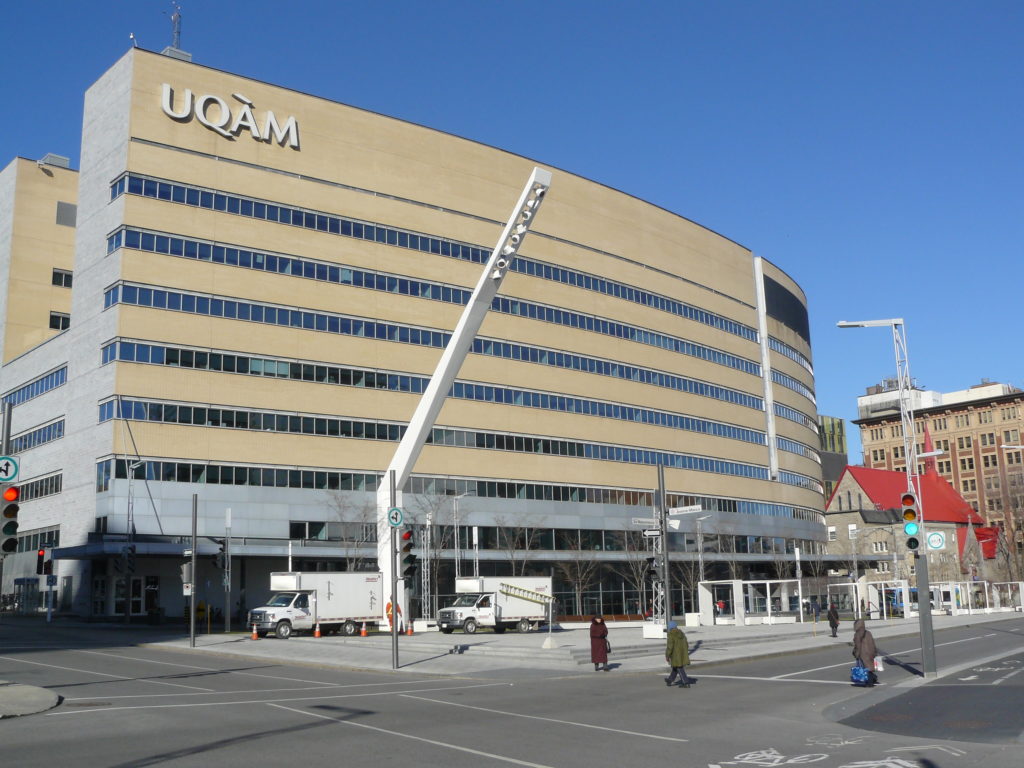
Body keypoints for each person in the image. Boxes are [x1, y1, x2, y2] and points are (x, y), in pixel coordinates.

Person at [664, 621, 693, 688]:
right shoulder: (682, 634)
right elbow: (686, 644)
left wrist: (667, 655)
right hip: (682, 653)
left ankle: (685, 682)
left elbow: (670, 647)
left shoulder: (671, 634)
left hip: (675, 654)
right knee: (675, 667)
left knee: (679, 668)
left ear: (670, 627)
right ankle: (670, 680)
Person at [852, 618, 878, 686]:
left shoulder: (857, 634)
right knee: (869, 667)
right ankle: (873, 679)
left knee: (865, 668)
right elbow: (873, 642)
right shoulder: (868, 632)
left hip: (863, 653)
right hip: (871, 652)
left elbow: (858, 645)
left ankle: (870, 683)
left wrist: (856, 654)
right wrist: (875, 651)